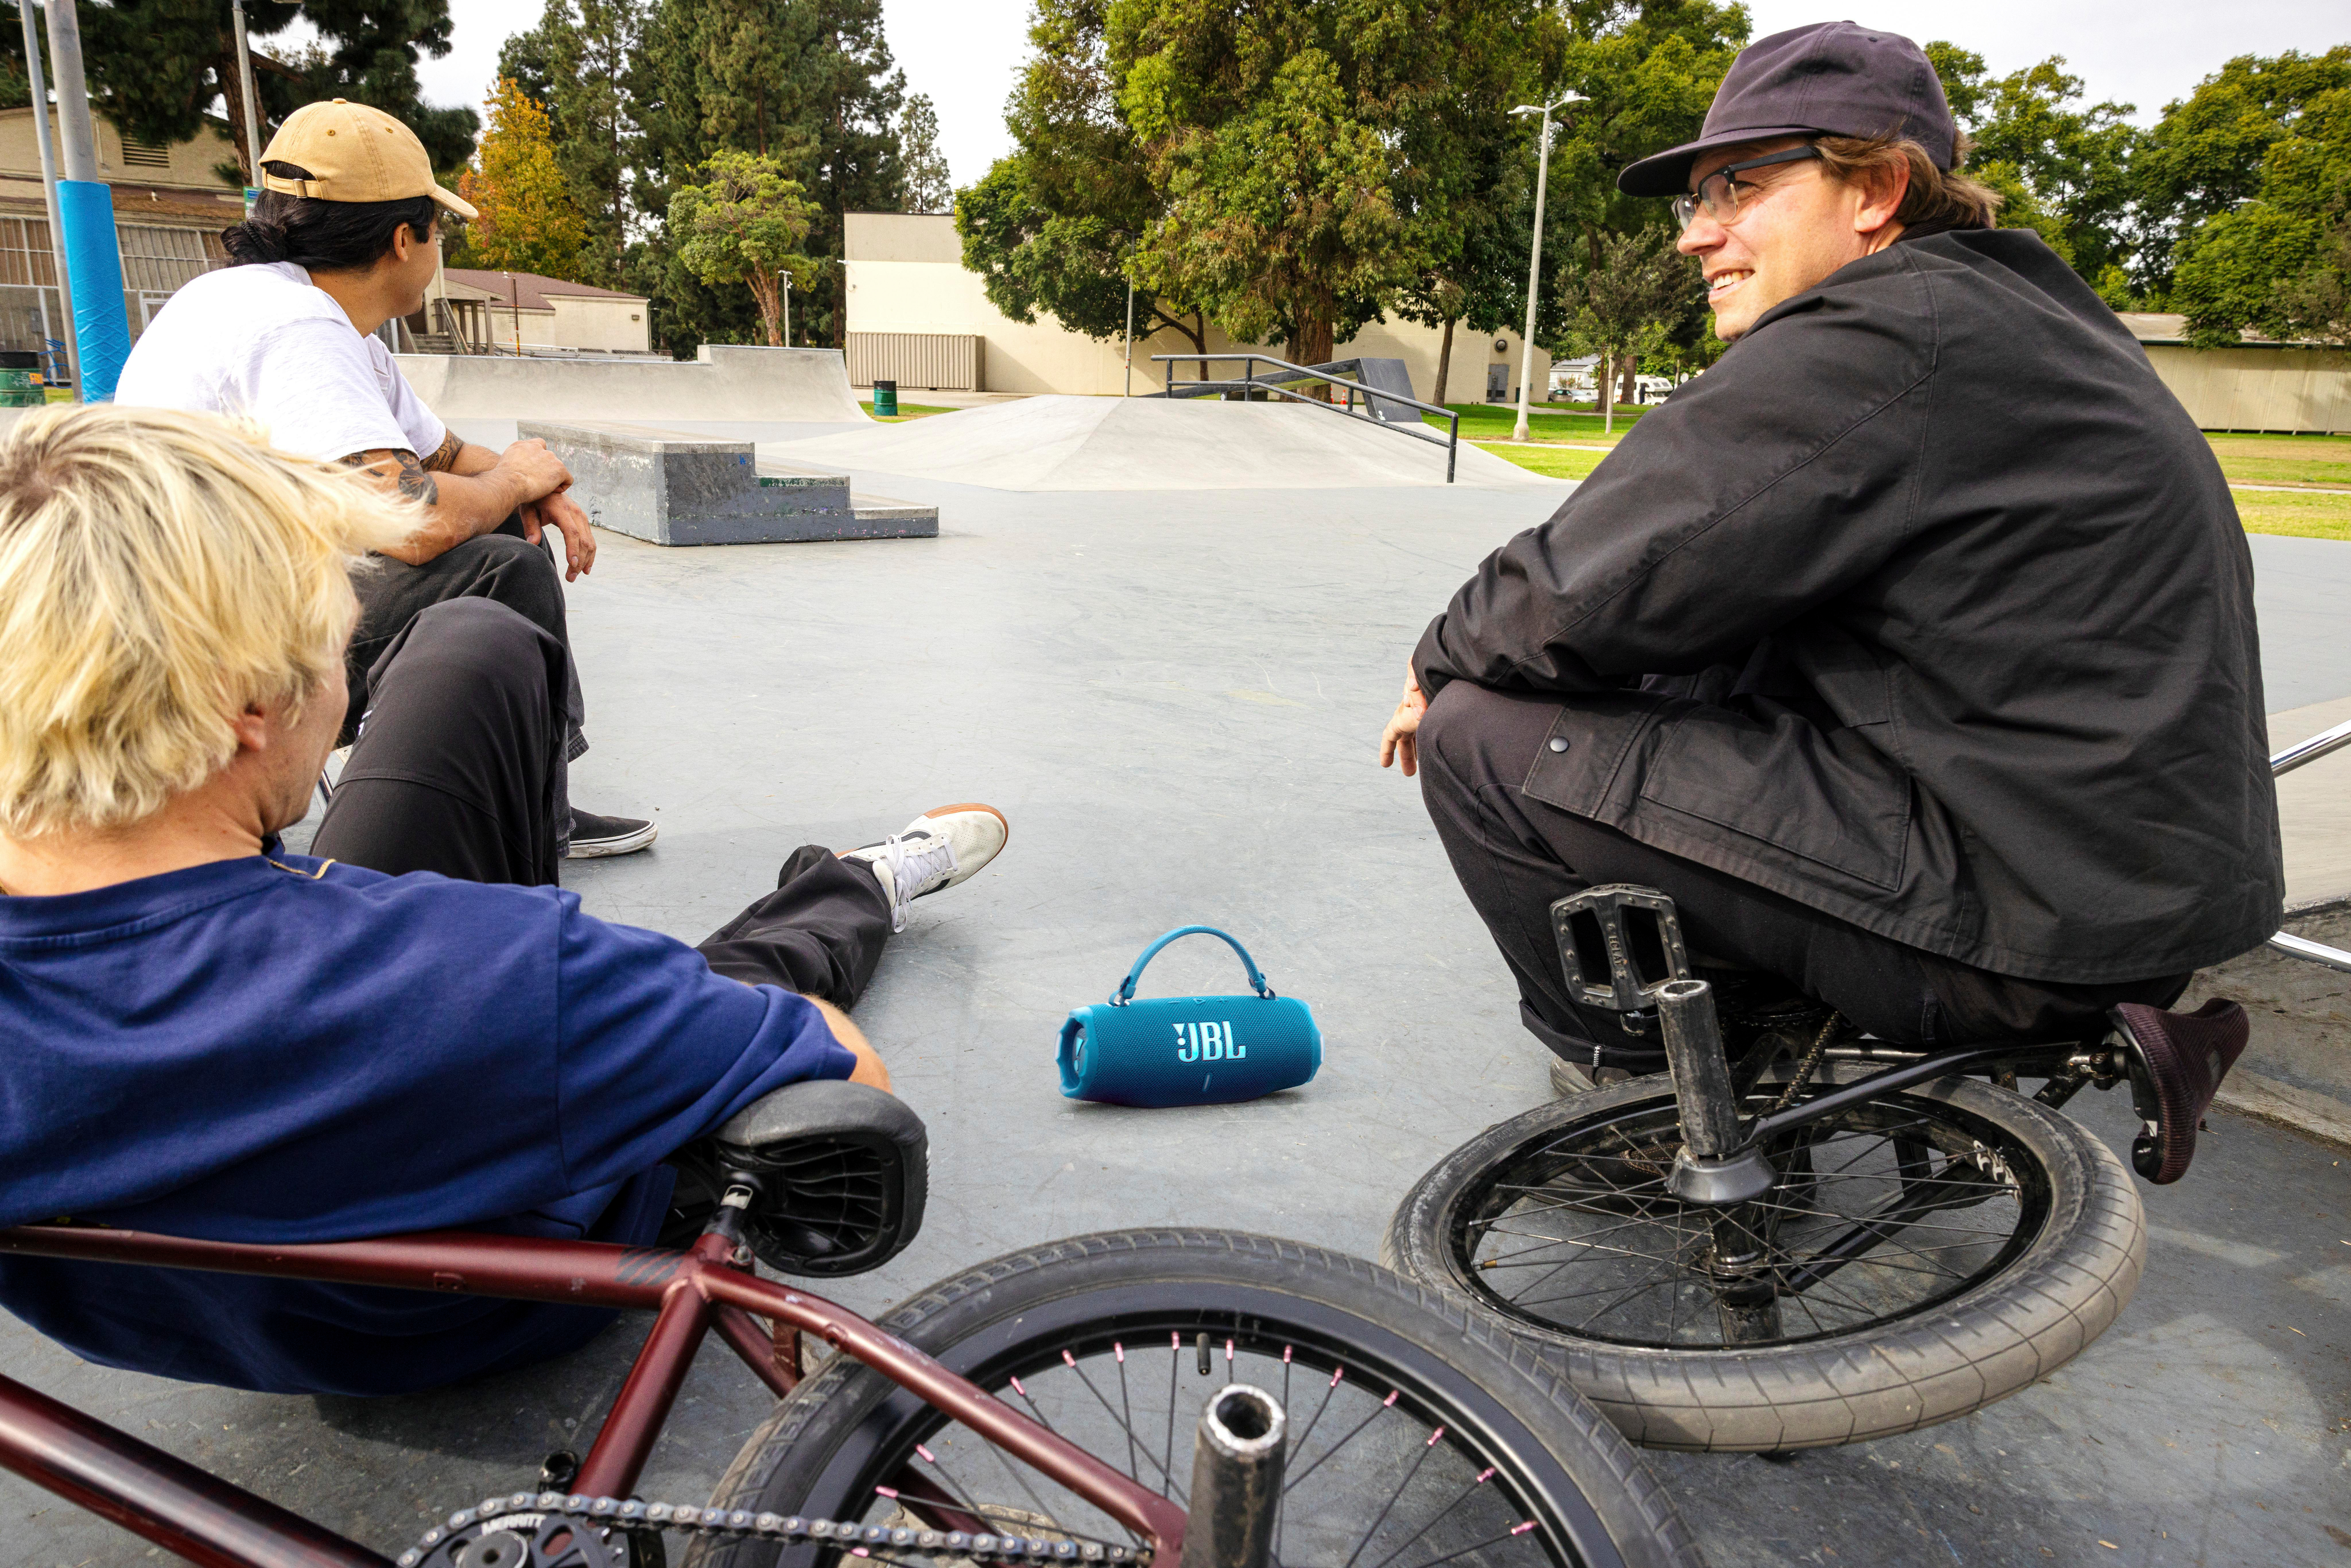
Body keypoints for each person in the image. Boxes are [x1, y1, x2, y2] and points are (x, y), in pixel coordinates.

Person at [0, 405, 1007, 1395]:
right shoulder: (488, 976)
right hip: (474, 1310)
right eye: (338, 654)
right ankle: (856, 884)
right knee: (742, 988)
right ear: (250, 704)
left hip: (216, 1297)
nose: (347, 690)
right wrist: (601, 1001)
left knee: (477, 635)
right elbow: (846, 1081)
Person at [1378, 22, 2282, 1090]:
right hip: (2108, 892)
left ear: (1877, 190)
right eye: (1694, 201)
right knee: (1686, 663)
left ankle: (1651, 1103)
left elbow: (1587, 581)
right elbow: (1684, 584)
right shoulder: (2021, 314)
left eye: (1741, 187)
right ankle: (1765, 1039)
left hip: (2021, 922)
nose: (1696, 236)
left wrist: (1437, 665)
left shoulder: (1887, 333)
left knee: (1482, 735)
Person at [114, 97, 651, 860]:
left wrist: (535, 485)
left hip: (201, 612)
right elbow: (414, 518)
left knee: (497, 519)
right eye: (438, 232)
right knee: (504, 568)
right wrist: (511, 486)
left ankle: (528, 799)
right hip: (190, 662)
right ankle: (531, 827)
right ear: (405, 240)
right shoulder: (299, 329)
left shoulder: (291, 309)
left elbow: (443, 457)